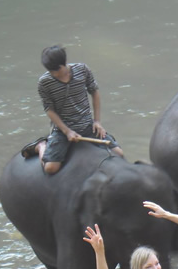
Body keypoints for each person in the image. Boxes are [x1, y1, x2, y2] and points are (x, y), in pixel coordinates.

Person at [24, 45, 122, 174]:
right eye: (51, 71)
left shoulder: (82, 69)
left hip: (87, 124)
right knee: (50, 168)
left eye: (57, 70)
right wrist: (67, 131)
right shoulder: (44, 82)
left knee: (118, 154)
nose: (55, 74)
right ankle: (41, 146)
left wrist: (97, 121)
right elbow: (49, 109)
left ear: (64, 63)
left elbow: (94, 92)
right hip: (62, 129)